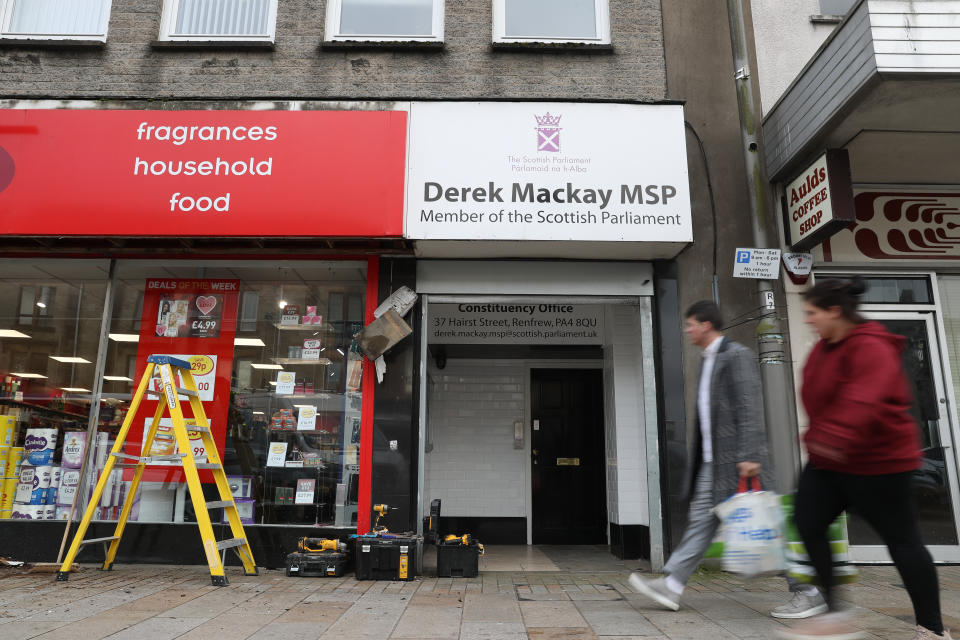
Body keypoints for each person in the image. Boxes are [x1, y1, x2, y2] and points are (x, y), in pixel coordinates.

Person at [779, 278, 950, 640]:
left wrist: (829, 436)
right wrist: (818, 437)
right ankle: (836, 613)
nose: (808, 320)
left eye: (812, 313)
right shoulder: (824, 348)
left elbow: (863, 400)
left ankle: (932, 629)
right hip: (831, 459)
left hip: (879, 462)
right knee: (807, 522)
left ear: (834, 311)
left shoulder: (871, 346)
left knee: (902, 542)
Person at [630, 300, 771, 610]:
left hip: (737, 462)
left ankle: (808, 589)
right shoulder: (707, 360)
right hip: (712, 462)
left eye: (690, 324)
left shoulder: (737, 356)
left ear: (706, 325)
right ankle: (672, 584)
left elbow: (750, 408)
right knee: (701, 522)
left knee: (764, 525)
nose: (687, 330)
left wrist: (748, 455)